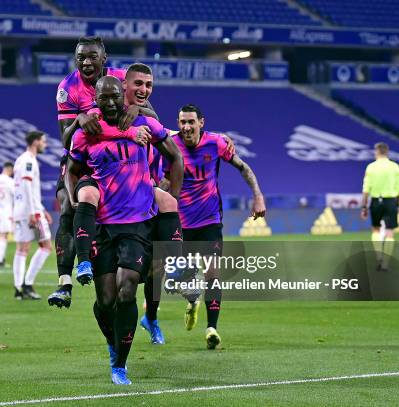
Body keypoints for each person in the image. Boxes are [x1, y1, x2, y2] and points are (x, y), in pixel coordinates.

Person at [67, 76, 183, 384]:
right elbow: (72, 169)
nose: (110, 102)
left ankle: (120, 363)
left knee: (128, 288)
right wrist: (73, 197)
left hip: (136, 225)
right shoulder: (86, 134)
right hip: (103, 226)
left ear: (123, 97)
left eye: (115, 96)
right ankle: (111, 342)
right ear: (97, 99)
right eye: (103, 97)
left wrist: (172, 187)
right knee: (105, 302)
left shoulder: (144, 123)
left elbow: (174, 154)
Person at [48, 36, 155, 308]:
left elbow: (152, 115)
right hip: (84, 160)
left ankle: (165, 265)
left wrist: (137, 107)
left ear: (103, 59)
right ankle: (64, 283)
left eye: (92, 56)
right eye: (81, 57)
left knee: (162, 201)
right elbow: (66, 140)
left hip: (120, 164)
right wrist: (80, 119)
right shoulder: (68, 88)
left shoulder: (122, 78)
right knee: (67, 207)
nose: (86, 62)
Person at [163, 104, 265, 349]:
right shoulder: (170, 144)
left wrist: (258, 195)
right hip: (179, 222)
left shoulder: (216, 144)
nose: (186, 127)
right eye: (182, 122)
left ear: (201, 122)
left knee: (212, 274)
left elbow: (243, 168)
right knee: (177, 279)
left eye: (191, 122)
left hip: (210, 221)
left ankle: (212, 328)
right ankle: (192, 300)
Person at [12, 131, 53, 300]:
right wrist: (34, 212)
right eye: (43, 141)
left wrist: (41, 209)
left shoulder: (20, 159)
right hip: (30, 212)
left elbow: (25, 188)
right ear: (35, 142)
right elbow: (27, 187)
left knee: (22, 249)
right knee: (46, 247)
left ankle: (18, 287)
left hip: (22, 210)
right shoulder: (29, 160)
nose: (45, 144)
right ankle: (27, 284)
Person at [361, 142, 399, 271]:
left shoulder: (371, 167)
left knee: (376, 229)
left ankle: (379, 257)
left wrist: (364, 206)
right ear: (387, 152)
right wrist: (396, 203)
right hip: (390, 200)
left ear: (377, 152)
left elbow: (366, 188)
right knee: (390, 232)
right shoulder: (395, 167)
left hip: (376, 201)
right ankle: (386, 263)